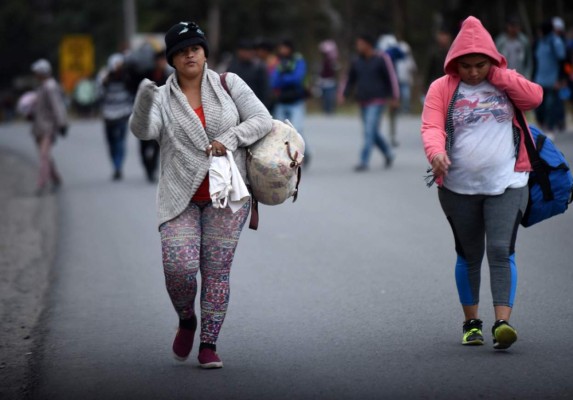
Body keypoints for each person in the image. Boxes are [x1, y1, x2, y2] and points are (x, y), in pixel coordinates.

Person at [129, 21, 272, 369]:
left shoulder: (229, 83)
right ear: (171, 60)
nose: (189, 54)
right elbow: (143, 130)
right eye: (180, 51)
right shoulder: (162, 97)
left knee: (216, 271)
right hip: (180, 195)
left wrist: (232, 138)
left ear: (205, 51)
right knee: (179, 268)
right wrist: (145, 100)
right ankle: (186, 319)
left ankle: (209, 343)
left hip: (227, 195)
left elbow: (262, 119)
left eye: (194, 47)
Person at [421, 16, 543, 350]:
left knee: (501, 250)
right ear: (454, 63)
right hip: (458, 187)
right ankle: (471, 323)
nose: (474, 72)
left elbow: (534, 99)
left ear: (492, 59)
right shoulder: (442, 88)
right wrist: (435, 154)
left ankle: (503, 323)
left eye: (480, 64)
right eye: (466, 65)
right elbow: (431, 127)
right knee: (469, 253)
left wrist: (500, 73)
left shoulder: (505, 81)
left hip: (509, 181)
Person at [342, 34, 399, 171]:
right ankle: (388, 153)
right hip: (363, 101)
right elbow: (350, 79)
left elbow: (391, 78)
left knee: (369, 131)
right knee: (372, 132)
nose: (358, 47)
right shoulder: (356, 61)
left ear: (368, 44)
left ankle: (363, 161)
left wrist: (394, 97)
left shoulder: (382, 59)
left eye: (360, 44)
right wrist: (344, 94)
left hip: (377, 100)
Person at [30, 59, 68, 195]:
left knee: (44, 155)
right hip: (39, 126)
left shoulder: (50, 87)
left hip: (48, 127)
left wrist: (62, 123)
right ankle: (55, 178)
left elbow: (57, 106)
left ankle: (41, 184)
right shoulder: (42, 87)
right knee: (45, 156)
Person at [98, 53, 135, 181]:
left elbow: (133, 92)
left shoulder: (127, 77)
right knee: (111, 143)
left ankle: (118, 166)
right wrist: (106, 79)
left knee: (120, 142)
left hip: (123, 114)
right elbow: (99, 93)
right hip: (108, 114)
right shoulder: (104, 77)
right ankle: (115, 163)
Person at [271, 39, 309, 161]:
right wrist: (285, 79)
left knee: (297, 129)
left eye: (285, 48)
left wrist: (284, 79)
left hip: (296, 100)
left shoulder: (298, 61)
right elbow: (274, 81)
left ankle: (304, 153)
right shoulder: (279, 62)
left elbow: (297, 78)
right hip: (282, 100)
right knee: (279, 131)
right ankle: (284, 156)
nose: (282, 51)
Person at [139, 51, 172, 182]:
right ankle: (147, 166)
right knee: (144, 145)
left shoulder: (168, 76)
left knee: (156, 144)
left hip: (160, 116)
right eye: (160, 60)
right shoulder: (147, 75)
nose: (162, 63)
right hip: (146, 114)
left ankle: (152, 168)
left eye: (164, 61)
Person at [533, 20, 566, 137]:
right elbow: (536, 61)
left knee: (550, 105)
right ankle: (542, 125)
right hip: (539, 79)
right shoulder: (539, 42)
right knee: (538, 106)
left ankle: (550, 128)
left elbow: (562, 62)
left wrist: (561, 79)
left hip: (553, 80)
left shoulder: (556, 42)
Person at [226, 39, 269, 106]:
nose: (247, 54)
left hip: (254, 105)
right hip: (235, 105)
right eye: (244, 51)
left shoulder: (258, 67)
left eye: (249, 51)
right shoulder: (232, 67)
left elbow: (264, 90)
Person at [318, 39, 339, 114]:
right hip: (323, 82)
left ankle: (330, 111)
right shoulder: (323, 61)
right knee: (325, 99)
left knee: (329, 98)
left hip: (330, 82)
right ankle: (326, 111)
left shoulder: (332, 61)